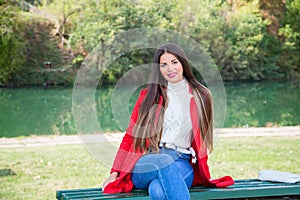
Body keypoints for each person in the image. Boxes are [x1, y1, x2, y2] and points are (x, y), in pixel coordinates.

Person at [102, 43, 234, 199]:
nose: (170, 69)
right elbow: (130, 137)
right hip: (150, 161)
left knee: (158, 190)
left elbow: (202, 139)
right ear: (158, 69)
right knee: (163, 161)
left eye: (174, 62)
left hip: (182, 162)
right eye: (163, 65)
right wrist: (114, 172)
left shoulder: (201, 95)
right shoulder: (149, 96)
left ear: (183, 63)